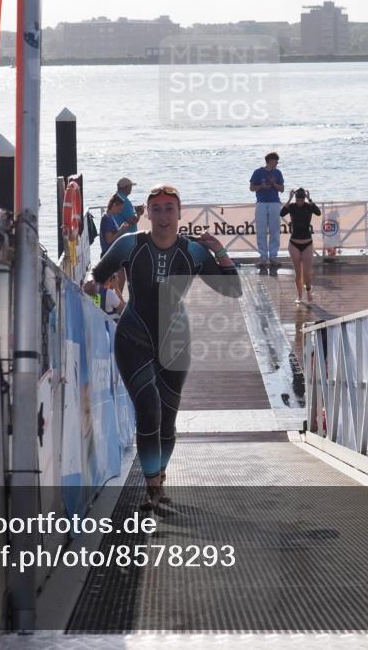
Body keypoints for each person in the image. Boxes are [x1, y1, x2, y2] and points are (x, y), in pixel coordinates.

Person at [83, 184, 241, 509]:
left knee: (168, 420)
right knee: (149, 410)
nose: (164, 216)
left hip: (176, 340)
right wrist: (95, 289)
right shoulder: (130, 244)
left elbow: (232, 290)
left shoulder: (193, 252)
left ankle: (160, 477)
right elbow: (97, 275)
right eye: (156, 209)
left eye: (170, 208)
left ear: (180, 212)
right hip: (133, 337)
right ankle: (153, 488)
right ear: (147, 214)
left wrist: (220, 251)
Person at [280, 188, 321, 304]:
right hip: (294, 243)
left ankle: (308, 291)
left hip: (307, 243)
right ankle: (299, 296)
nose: (300, 202)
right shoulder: (292, 206)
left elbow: (318, 212)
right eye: (298, 199)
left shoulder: (309, 206)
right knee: (298, 273)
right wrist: (289, 199)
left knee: (307, 273)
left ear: (304, 199)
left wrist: (310, 199)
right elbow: (281, 213)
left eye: (302, 199)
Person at [249, 152, 284, 267]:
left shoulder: (277, 173)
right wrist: (261, 187)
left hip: (274, 202)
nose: (277, 163)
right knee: (261, 230)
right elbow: (251, 188)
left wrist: (274, 183)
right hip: (261, 203)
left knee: (275, 230)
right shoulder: (258, 172)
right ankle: (263, 256)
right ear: (270, 160)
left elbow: (282, 189)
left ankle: (273, 256)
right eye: (276, 160)